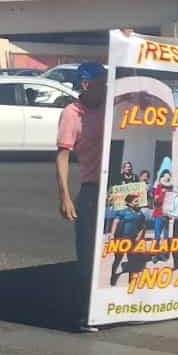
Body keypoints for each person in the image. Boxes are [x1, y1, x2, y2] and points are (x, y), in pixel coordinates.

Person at [55, 60, 109, 332]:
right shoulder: (72, 113)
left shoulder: (110, 108)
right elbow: (63, 156)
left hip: (117, 191)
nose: (106, 89)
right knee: (88, 257)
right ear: (86, 85)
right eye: (101, 84)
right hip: (91, 190)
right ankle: (85, 314)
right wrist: (64, 196)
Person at [108, 194, 148, 285]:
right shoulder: (122, 212)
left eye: (138, 201)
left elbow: (142, 227)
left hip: (133, 240)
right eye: (135, 201)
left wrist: (139, 237)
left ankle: (131, 281)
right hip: (121, 239)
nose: (137, 203)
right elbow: (115, 222)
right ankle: (113, 275)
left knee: (132, 260)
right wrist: (112, 234)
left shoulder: (140, 214)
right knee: (118, 258)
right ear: (128, 203)